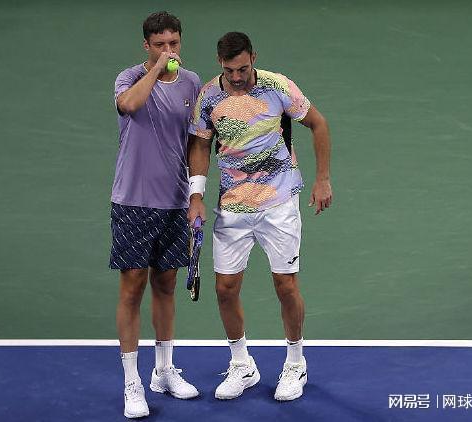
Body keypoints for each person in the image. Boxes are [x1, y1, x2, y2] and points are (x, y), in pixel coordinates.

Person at [187, 31, 332, 402]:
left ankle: (296, 363)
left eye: (243, 69)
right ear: (220, 64)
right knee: (225, 289)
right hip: (232, 207)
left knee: (286, 286)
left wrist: (322, 179)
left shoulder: (277, 86)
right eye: (229, 71)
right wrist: (196, 195)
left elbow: (318, 123)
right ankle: (242, 365)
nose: (237, 77)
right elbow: (200, 145)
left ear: (253, 57)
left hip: (279, 204)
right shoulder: (209, 96)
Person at [111, 11, 201, 418]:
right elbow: (130, 105)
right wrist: (156, 70)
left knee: (166, 285)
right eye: (161, 44)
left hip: (175, 201)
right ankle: (132, 383)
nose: (169, 50)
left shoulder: (192, 83)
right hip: (133, 200)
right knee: (132, 287)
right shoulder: (129, 78)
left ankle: (163, 371)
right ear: (146, 45)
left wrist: (195, 195)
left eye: (174, 43)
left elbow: (195, 142)